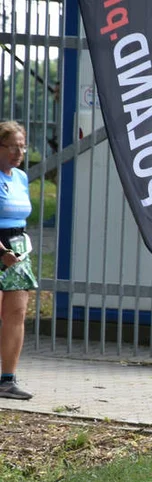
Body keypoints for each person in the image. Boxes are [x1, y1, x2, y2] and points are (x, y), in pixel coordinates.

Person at [0, 121, 36, 400]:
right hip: (1, 248)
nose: (18, 152)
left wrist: (17, 250)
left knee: (16, 313)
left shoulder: (21, 178)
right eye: (13, 146)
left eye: (22, 147)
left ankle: (7, 380)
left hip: (18, 246)